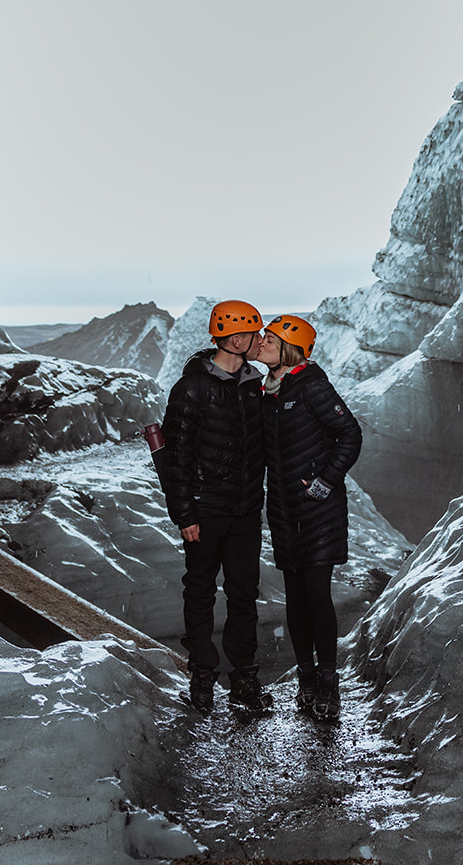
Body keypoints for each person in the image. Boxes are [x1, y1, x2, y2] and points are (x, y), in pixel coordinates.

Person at [160, 298, 274, 715]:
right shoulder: (192, 388)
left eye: (250, 332)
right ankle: (202, 675)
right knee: (201, 591)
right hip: (207, 512)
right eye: (239, 333)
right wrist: (185, 514)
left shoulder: (255, 384)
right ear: (223, 337)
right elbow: (176, 457)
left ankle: (243, 677)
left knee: (244, 593)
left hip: (245, 510)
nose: (247, 339)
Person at [254, 313, 361, 722]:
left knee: (316, 593)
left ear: (289, 347)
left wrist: (325, 482)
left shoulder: (312, 386)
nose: (261, 342)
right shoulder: (270, 391)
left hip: (318, 509)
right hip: (284, 511)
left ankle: (329, 686)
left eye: (269, 338)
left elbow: (350, 434)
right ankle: (306, 679)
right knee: (295, 597)